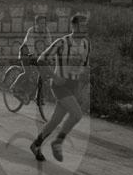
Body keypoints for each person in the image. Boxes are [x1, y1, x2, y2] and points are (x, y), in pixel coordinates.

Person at [29, 13, 90, 162]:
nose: (84, 29)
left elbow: (85, 67)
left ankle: (36, 144)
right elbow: (41, 60)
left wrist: (82, 88)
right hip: (60, 85)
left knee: (55, 121)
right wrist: (55, 77)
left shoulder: (86, 44)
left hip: (74, 85)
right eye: (81, 26)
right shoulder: (62, 43)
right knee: (77, 115)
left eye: (85, 26)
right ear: (73, 26)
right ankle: (58, 142)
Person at [11, 14, 53, 103]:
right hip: (26, 53)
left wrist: (51, 55)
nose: (43, 25)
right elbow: (30, 43)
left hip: (37, 54)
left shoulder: (46, 31)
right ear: (36, 23)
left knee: (43, 74)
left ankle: (38, 96)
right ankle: (14, 86)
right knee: (27, 72)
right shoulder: (31, 30)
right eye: (41, 23)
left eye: (44, 23)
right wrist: (33, 53)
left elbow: (49, 44)